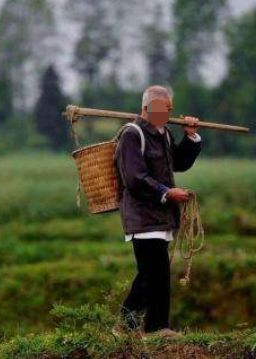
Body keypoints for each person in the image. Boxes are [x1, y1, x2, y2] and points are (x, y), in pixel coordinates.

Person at [113, 85, 202, 338]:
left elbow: (179, 163)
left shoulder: (163, 133)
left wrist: (191, 136)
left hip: (161, 218)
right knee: (155, 272)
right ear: (147, 108)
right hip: (142, 217)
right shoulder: (132, 134)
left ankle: (128, 326)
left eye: (169, 109)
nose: (166, 113)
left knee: (150, 274)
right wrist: (166, 192)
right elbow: (134, 178)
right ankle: (154, 328)